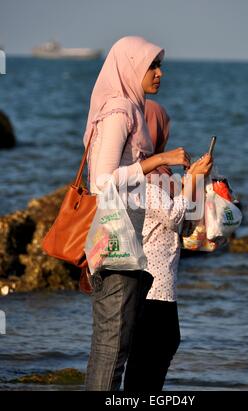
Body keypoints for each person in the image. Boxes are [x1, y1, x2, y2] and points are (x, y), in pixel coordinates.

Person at [84, 36, 191, 391]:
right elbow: (102, 182)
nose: (159, 74)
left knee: (117, 345)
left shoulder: (131, 107)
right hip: (119, 244)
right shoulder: (119, 110)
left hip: (128, 243)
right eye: (152, 66)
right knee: (112, 347)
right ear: (131, 67)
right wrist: (157, 161)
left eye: (161, 66)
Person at [124, 99, 213, 391]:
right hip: (149, 282)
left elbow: (187, 225)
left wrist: (197, 180)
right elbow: (174, 216)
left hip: (163, 283)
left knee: (154, 351)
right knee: (152, 352)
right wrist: (190, 180)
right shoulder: (142, 178)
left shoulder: (161, 176)